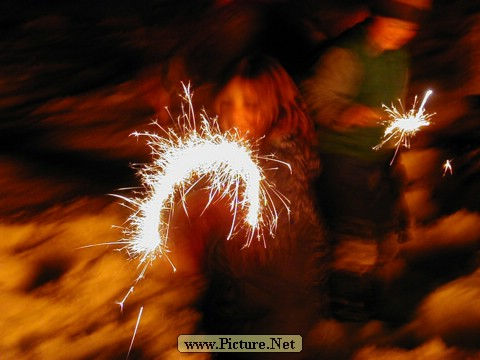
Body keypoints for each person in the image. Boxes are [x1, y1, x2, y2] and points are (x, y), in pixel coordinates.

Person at [170, 54, 327, 359]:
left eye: (250, 105)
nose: (234, 116)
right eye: (227, 103)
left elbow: (271, 227)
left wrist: (212, 220)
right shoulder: (231, 157)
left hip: (272, 326)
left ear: (276, 106)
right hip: (231, 314)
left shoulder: (280, 165)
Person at [300, 0, 432, 321]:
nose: (401, 34)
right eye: (395, 25)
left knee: (385, 229)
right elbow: (314, 95)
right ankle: (346, 307)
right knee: (353, 234)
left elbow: (393, 102)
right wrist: (344, 112)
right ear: (377, 18)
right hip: (342, 157)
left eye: (409, 29)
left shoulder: (397, 56)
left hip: (380, 157)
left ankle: (378, 291)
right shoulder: (347, 54)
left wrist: (399, 130)